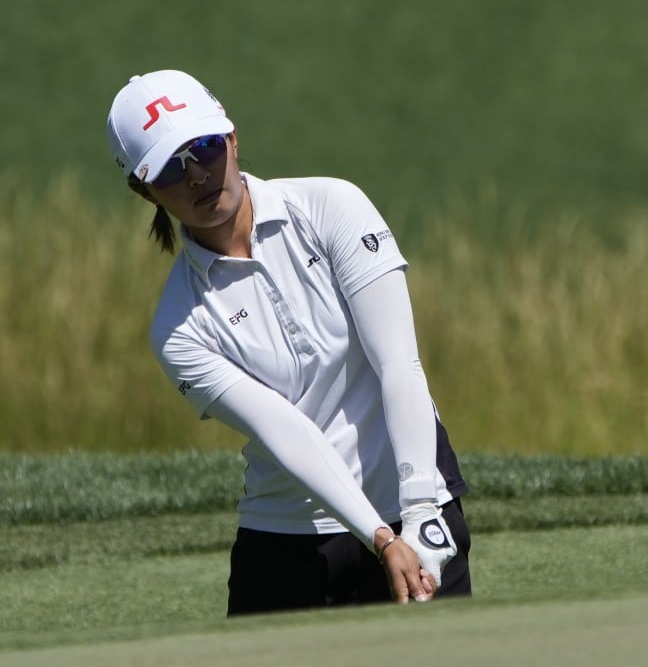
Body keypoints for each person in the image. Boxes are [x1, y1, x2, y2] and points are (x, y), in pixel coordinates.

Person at [106, 70, 471, 614]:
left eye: (204, 148)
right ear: (144, 190)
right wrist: (382, 539)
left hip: (416, 506)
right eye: (169, 169)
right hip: (289, 542)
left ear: (232, 138)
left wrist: (418, 513)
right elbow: (284, 431)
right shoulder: (178, 328)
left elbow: (398, 362)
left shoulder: (332, 206)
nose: (197, 174)